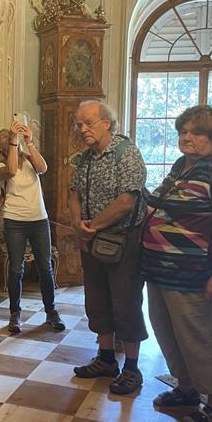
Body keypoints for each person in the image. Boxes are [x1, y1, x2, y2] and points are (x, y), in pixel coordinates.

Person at [142, 105, 212, 422]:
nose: (187, 137)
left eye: (197, 132)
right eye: (183, 131)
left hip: (195, 276)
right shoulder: (182, 166)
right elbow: (160, 204)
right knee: (170, 335)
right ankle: (186, 389)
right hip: (161, 271)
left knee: (203, 339)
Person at [69, 100, 148, 394]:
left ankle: (131, 367)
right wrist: (79, 224)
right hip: (91, 241)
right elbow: (74, 193)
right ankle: (105, 359)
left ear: (107, 123)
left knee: (125, 303)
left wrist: (93, 226)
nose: (82, 129)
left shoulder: (127, 155)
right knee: (97, 300)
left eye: (88, 123)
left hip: (123, 242)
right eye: (79, 124)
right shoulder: (84, 158)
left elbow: (126, 202)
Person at [0, 118, 63, 334]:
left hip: (38, 220)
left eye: (10, 137)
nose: (8, 140)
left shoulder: (30, 159)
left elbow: (43, 168)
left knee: (45, 267)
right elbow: (12, 170)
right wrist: (15, 142)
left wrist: (29, 142)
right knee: (16, 269)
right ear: (0, 146)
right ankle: (15, 314)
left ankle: (51, 311)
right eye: (5, 139)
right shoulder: (0, 165)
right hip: (15, 221)